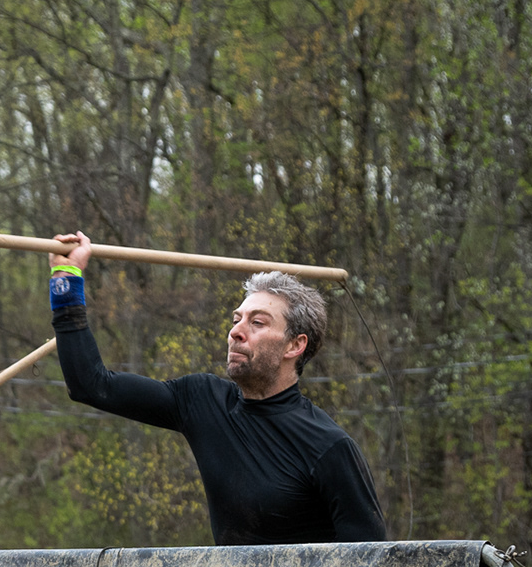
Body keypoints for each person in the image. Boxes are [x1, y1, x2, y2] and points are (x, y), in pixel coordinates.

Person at [47, 232, 386, 545]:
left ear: (294, 345)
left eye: (257, 322)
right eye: (237, 319)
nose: (236, 331)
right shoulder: (202, 401)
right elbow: (91, 385)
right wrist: (66, 281)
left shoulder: (330, 447)